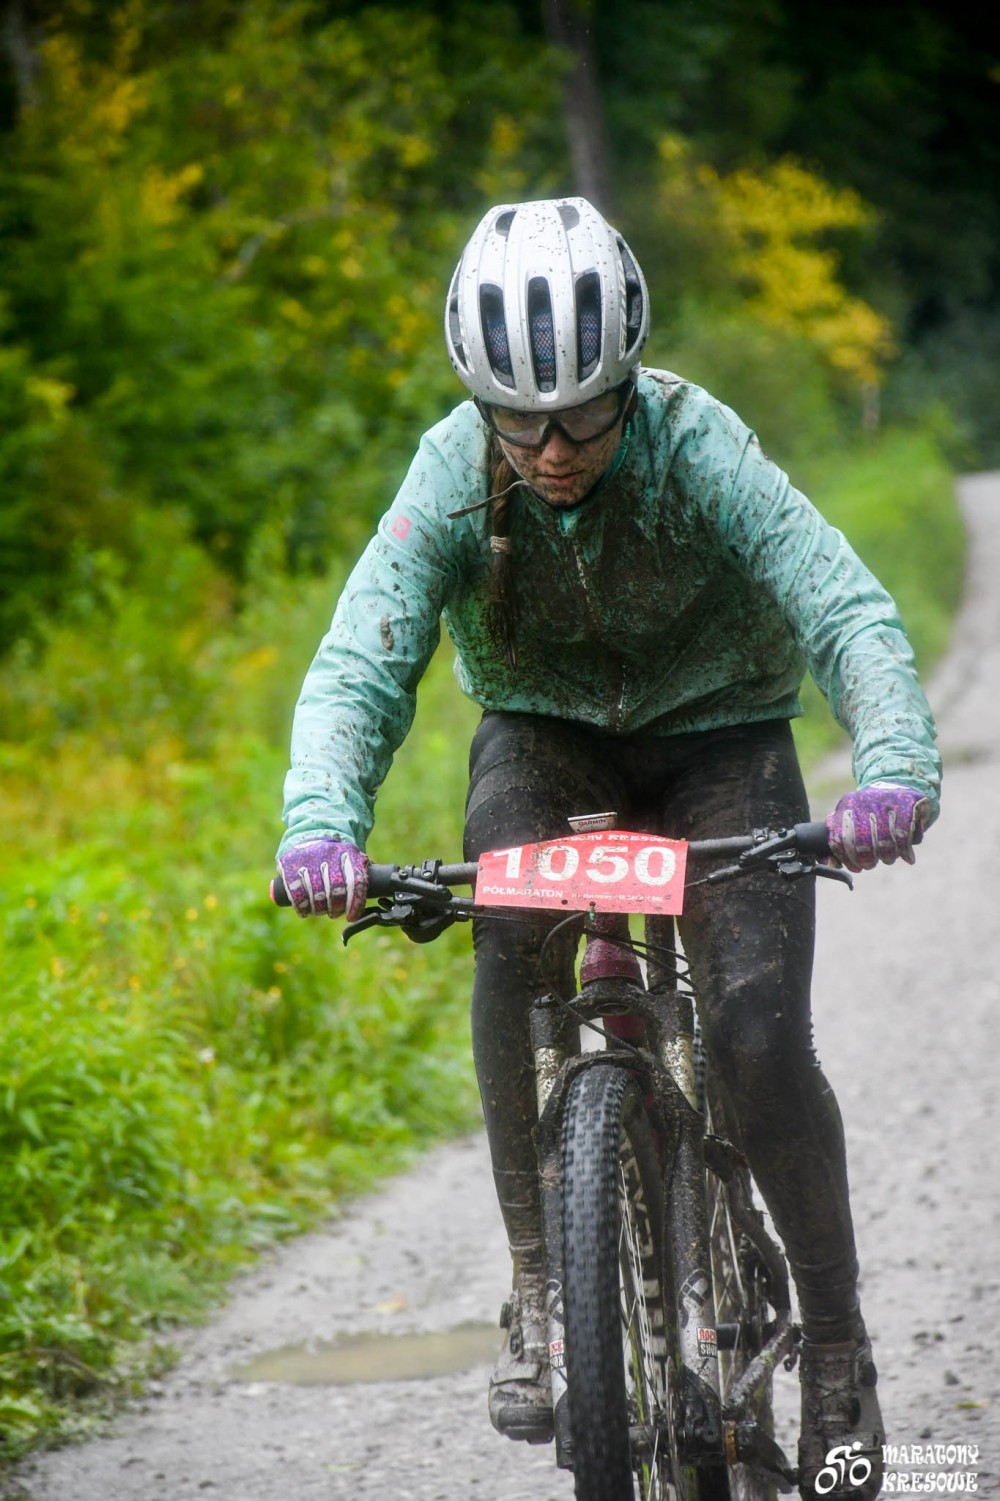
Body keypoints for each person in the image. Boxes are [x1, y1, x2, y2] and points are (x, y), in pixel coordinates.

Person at [275, 197, 940, 1500]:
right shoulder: (452, 469)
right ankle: (539, 1285)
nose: (550, 448)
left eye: (582, 415)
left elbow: (844, 606)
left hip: (722, 737)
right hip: (545, 740)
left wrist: (896, 768)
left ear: (628, 382)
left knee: (755, 1031)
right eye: (517, 419)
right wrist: (320, 821)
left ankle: (839, 1345)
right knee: (509, 939)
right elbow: (362, 658)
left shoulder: (702, 447)